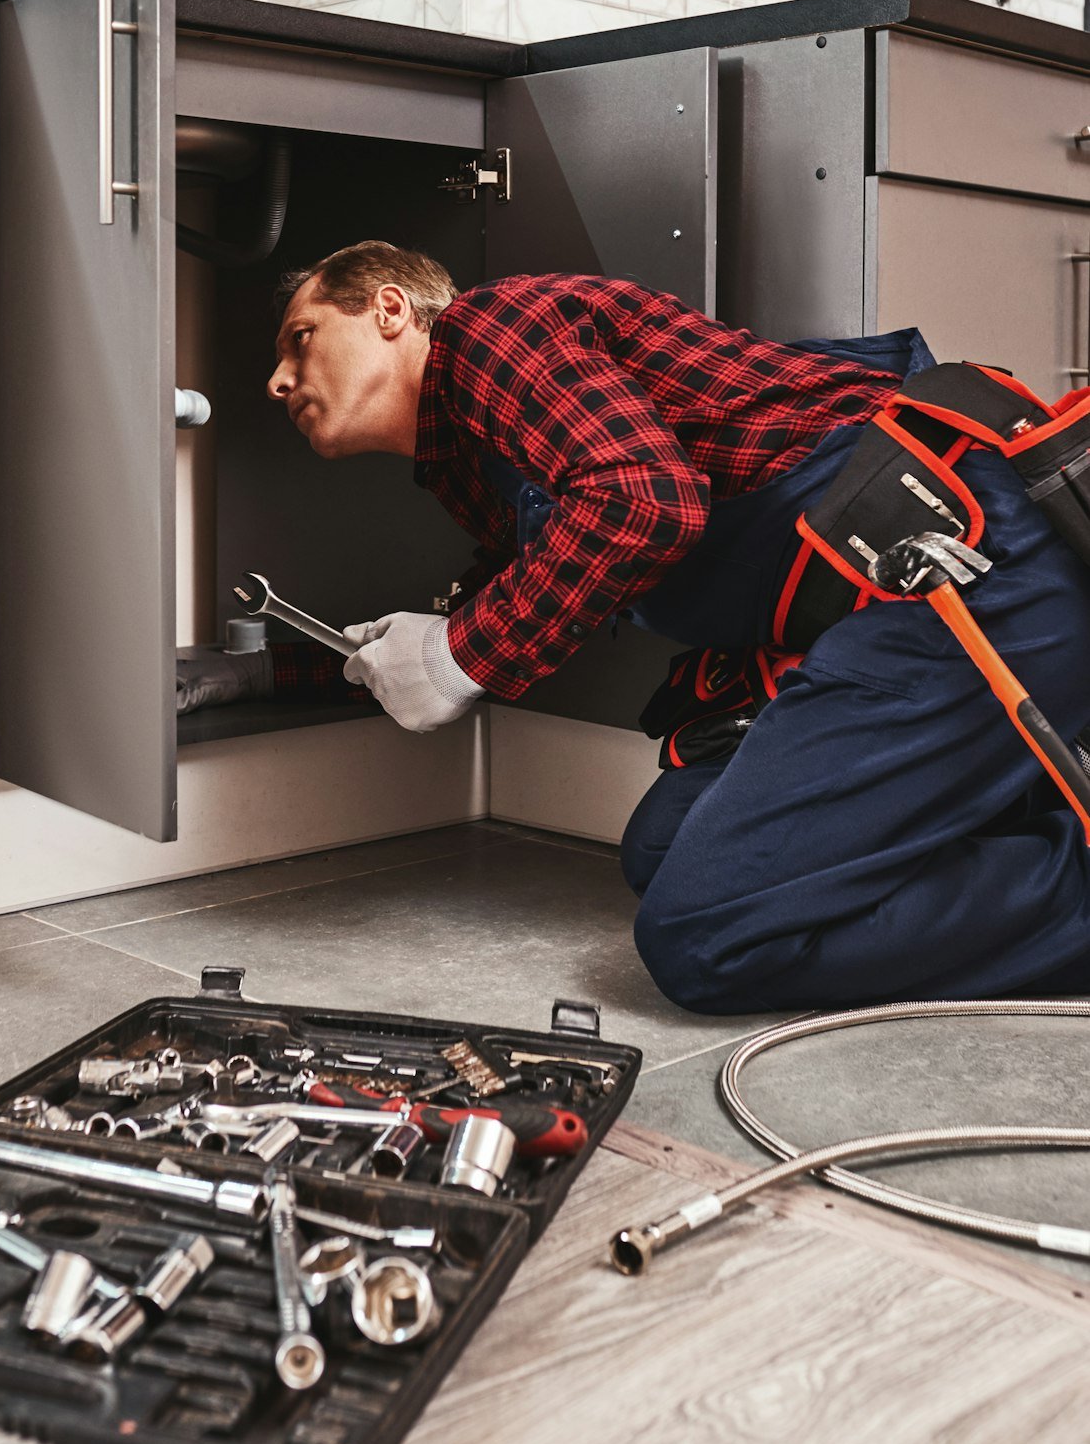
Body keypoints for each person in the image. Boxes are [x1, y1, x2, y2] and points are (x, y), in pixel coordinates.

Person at [187, 240, 1090, 1013]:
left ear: (391, 310)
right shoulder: (477, 458)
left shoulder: (490, 331)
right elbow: (508, 602)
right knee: (662, 847)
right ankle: (1021, 817)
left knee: (706, 934)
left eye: (300, 340)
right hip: (891, 610)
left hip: (966, 572)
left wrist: (459, 656)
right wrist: (272, 674)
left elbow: (643, 506)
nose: (276, 380)